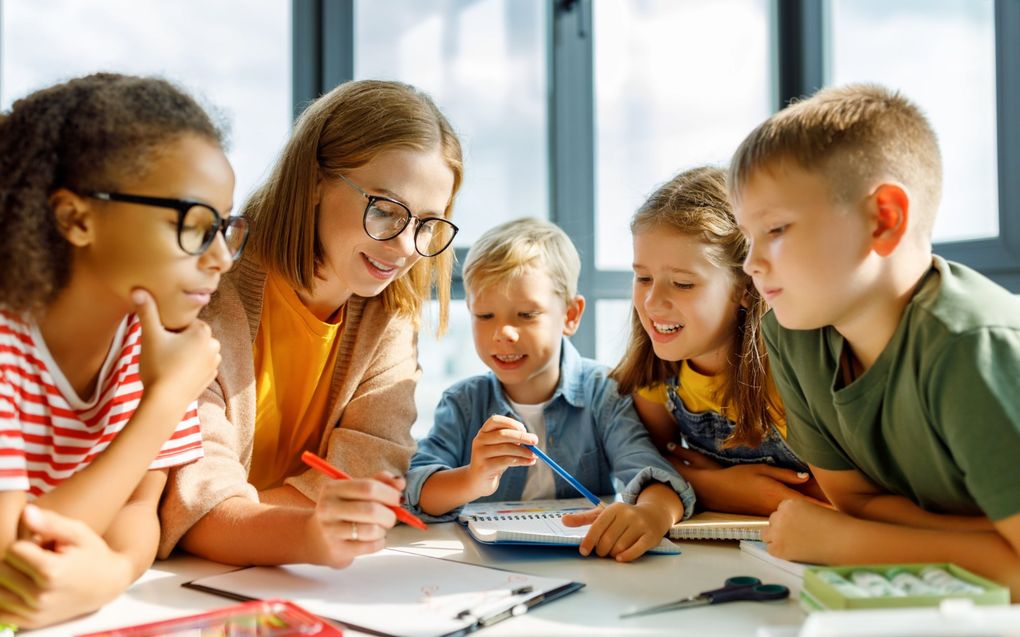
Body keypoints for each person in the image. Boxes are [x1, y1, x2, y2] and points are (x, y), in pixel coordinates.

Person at [729, 83, 1020, 597]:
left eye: (775, 229)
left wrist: (849, 543)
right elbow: (856, 501)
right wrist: (985, 542)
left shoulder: (973, 346)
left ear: (883, 218)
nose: (752, 262)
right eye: (748, 238)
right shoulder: (793, 336)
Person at [159, 80, 463, 568]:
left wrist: (243, 519)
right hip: (183, 581)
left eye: (427, 224)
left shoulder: (388, 318)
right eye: (385, 210)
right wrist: (296, 524)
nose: (406, 247)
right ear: (315, 180)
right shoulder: (210, 288)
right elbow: (197, 507)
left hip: (280, 573)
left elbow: (371, 472)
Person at [0, 73, 242, 627]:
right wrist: (164, 401)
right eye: (195, 224)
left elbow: (139, 510)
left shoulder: (148, 336)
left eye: (226, 227)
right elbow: (13, 556)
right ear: (76, 219)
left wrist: (111, 573)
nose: (223, 258)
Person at [406, 218, 693, 562]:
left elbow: (651, 474)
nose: (504, 333)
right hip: (482, 565)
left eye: (526, 314)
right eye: (484, 316)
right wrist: (472, 479)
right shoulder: (463, 402)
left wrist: (651, 513)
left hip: (589, 562)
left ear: (571, 315)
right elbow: (416, 489)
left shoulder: (605, 392)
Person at [611, 166, 824, 517]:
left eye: (683, 284)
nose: (651, 302)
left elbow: (831, 496)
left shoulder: (789, 372)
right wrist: (722, 488)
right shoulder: (657, 371)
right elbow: (647, 462)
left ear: (745, 286)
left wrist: (702, 482)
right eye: (643, 277)